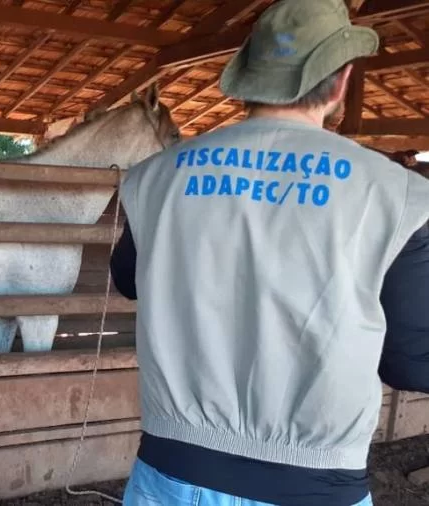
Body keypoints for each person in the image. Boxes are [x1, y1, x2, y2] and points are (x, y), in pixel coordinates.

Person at [109, 0, 429, 504]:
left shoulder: (157, 176)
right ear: (342, 81)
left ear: (249, 78)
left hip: (170, 473)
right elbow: (413, 365)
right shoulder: (399, 195)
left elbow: (129, 280)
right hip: (315, 485)